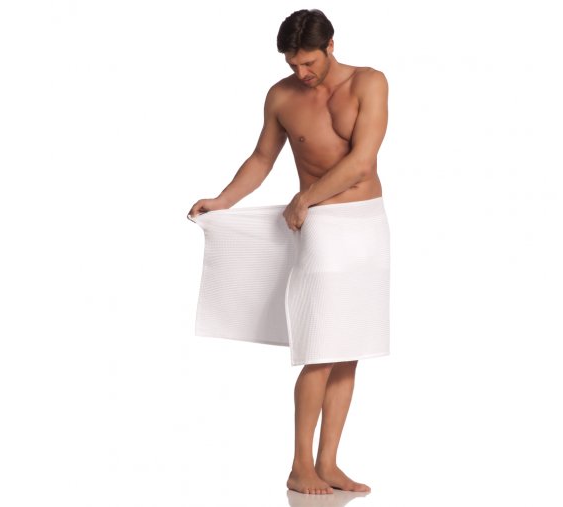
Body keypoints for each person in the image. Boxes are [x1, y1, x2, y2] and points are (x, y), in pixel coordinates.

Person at [188, 8, 388, 495]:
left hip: (367, 225)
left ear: (330, 46)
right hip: (321, 229)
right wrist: (222, 201)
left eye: (309, 62)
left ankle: (329, 463)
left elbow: (363, 161)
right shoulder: (281, 95)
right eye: (293, 63)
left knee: (349, 351)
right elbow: (263, 158)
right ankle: (300, 466)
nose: (301, 72)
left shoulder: (369, 83)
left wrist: (304, 197)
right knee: (320, 348)